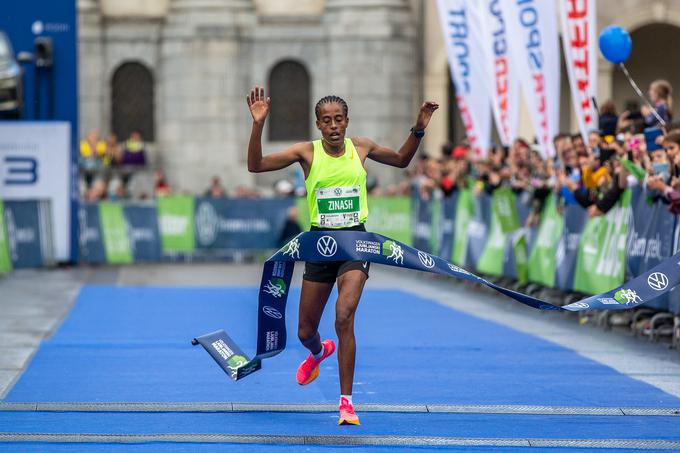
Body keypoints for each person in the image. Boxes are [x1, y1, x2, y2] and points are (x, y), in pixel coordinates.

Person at [246, 85, 438, 425]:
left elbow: (402, 159)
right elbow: (256, 165)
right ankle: (319, 353)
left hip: (354, 244)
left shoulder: (360, 147)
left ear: (347, 122)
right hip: (320, 246)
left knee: (344, 315)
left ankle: (346, 402)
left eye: (338, 119)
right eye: (326, 121)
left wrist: (419, 126)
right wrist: (259, 123)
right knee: (306, 331)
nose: (333, 126)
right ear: (318, 125)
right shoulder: (306, 153)